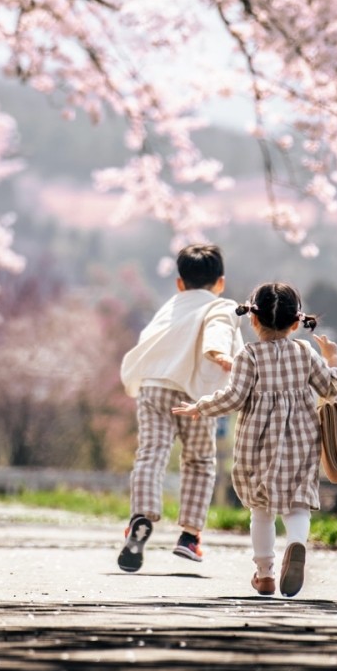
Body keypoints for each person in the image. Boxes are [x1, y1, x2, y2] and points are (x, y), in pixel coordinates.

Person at [172, 281, 337, 598]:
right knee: (298, 504)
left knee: (260, 509)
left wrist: (201, 407)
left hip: (257, 445)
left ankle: (264, 573)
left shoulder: (248, 356)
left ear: (253, 319)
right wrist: (333, 359)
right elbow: (330, 388)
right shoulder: (304, 353)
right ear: (296, 323)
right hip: (302, 443)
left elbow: (234, 397)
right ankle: (296, 544)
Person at [117, 243, 243, 572]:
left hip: (154, 385)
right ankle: (189, 536)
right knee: (200, 460)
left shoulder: (170, 307)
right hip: (194, 394)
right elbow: (218, 332)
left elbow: (147, 339)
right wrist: (219, 356)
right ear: (221, 282)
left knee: (151, 452)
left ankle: (140, 517)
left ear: (179, 283)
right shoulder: (222, 306)